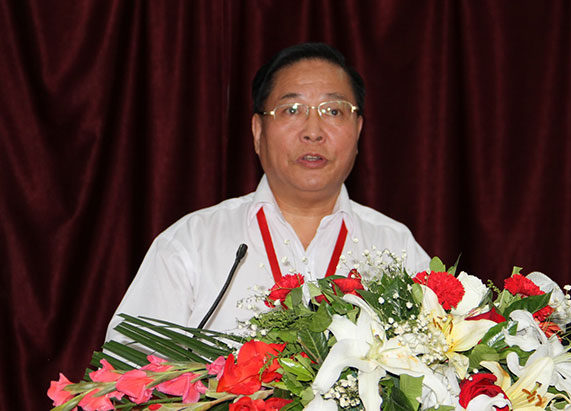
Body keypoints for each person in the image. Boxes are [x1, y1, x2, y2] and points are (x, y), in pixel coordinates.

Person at [105, 43, 429, 341]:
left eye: (333, 111)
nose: (313, 131)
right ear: (258, 131)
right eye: (291, 110)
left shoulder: (396, 248)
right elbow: (127, 373)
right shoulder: (191, 244)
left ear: (358, 130)